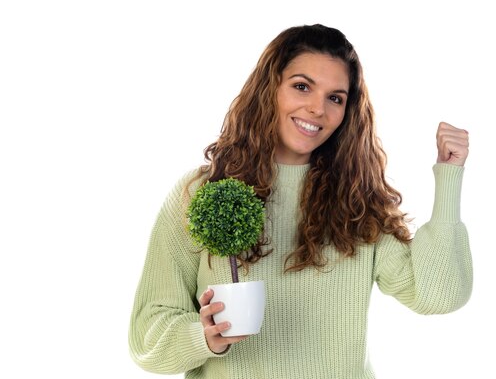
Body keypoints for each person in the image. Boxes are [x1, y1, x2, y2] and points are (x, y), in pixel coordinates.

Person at [129, 24, 472, 379]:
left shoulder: (357, 203)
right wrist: (204, 338)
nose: (316, 109)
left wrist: (448, 176)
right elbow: (146, 339)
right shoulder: (202, 193)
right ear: (270, 89)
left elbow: (438, 296)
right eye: (302, 86)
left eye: (335, 98)